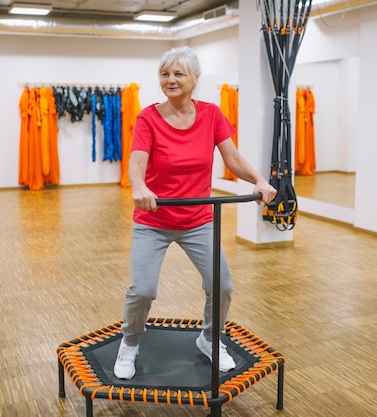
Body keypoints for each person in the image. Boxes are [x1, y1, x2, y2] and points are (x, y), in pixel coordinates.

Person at [114, 46, 277, 380]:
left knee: (222, 285)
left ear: (195, 79)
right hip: (154, 221)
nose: (170, 80)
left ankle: (210, 338)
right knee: (143, 289)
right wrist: (140, 188)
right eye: (165, 74)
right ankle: (129, 342)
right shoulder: (147, 118)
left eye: (178, 73)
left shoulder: (212, 114)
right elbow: (136, 163)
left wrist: (259, 179)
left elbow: (232, 159)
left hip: (198, 220)